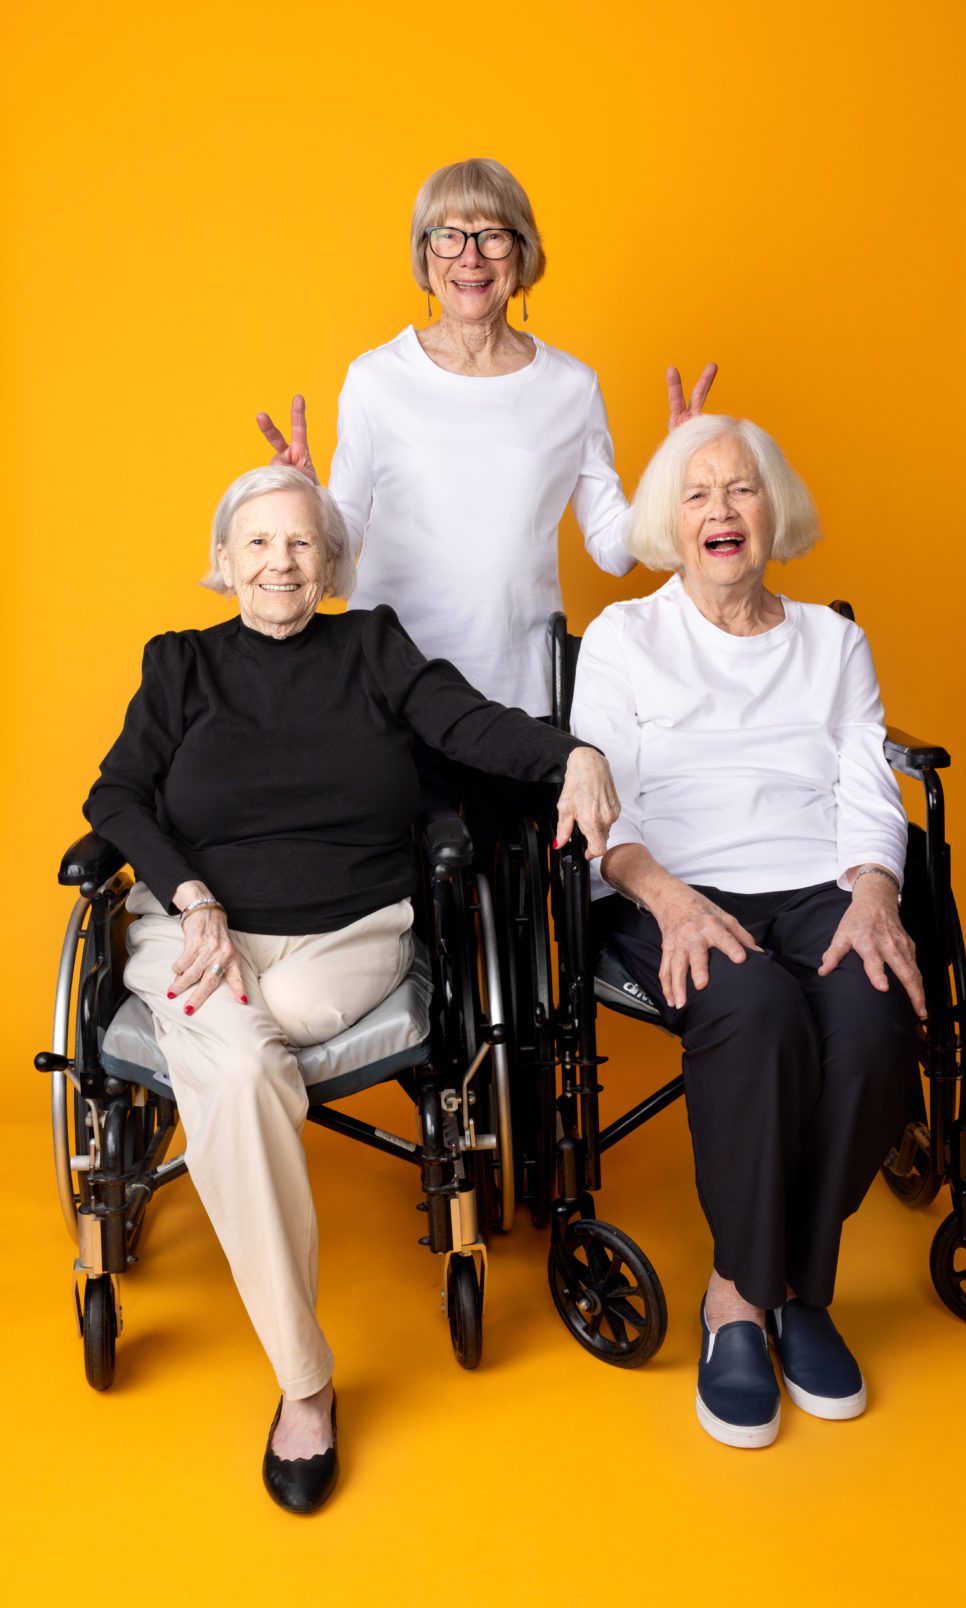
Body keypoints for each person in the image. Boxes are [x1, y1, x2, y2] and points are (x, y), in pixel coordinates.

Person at [84, 465, 619, 1511]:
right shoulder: (181, 664)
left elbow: (466, 727)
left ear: (329, 564)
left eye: (300, 545)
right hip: (194, 938)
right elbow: (114, 792)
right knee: (238, 1057)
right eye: (257, 544)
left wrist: (572, 752)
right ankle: (305, 1382)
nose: (279, 563)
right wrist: (190, 896)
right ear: (222, 561)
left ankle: (296, 1370)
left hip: (346, 941)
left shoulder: (373, 646)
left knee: (230, 1059)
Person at [570, 415, 924, 1450]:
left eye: (740, 490)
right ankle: (742, 1301)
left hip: (819, 880)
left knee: (871, 1016)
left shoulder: (833, 641)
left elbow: (867, 788)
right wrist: (671, 900)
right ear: (668, 525)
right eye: (697, 494)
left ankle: (786, 1290)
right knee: (758, 1008)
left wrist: (874, 893)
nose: (721, 511)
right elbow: (607, 816)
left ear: (775, 510)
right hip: (671, 888)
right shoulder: (625, 639)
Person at [256, 157, 714, 847]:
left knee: (518, 886)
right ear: (425, 254)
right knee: (403, 902)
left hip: (517, 697)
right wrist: (302, 503)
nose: (470, 257)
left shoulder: (571, 386)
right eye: (449, 236)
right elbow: (339, 547)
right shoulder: (377, 380)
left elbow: (613, 549)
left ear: (522, 254)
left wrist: (678, 476)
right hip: (392, 692)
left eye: (494, 236)